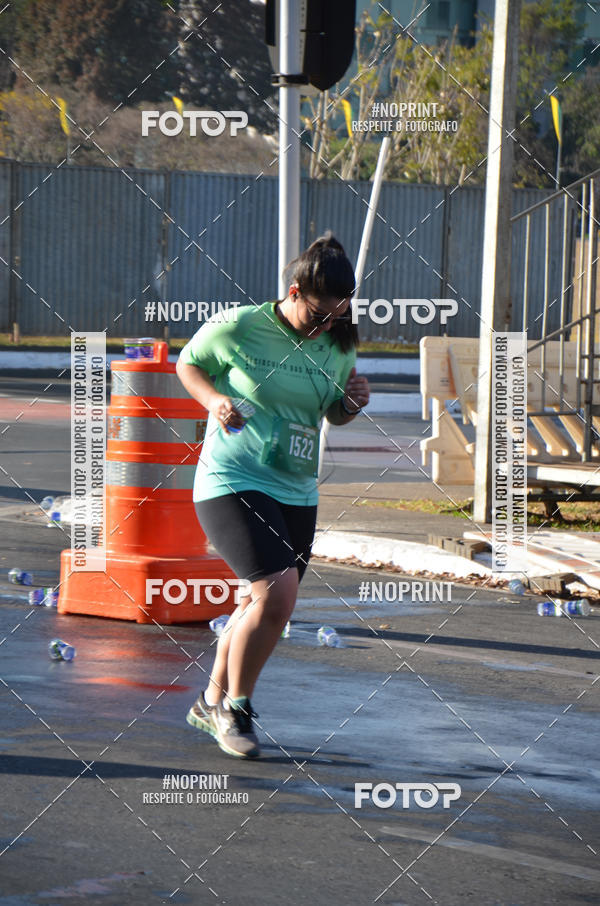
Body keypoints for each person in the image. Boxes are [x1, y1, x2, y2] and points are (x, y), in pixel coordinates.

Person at [176, 234, 370, 759]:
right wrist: (215, 400)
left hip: (297, 488)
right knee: (278, 596)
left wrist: (351, 403)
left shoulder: (338, 341)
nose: (328, 324)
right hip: (232, 479)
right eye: (320, 313)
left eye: (338, 315)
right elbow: (188, 363)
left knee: (256, 601)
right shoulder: (241, 326)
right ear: (294, 292)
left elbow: (331, 411)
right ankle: (235, 711)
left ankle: (208, 701)